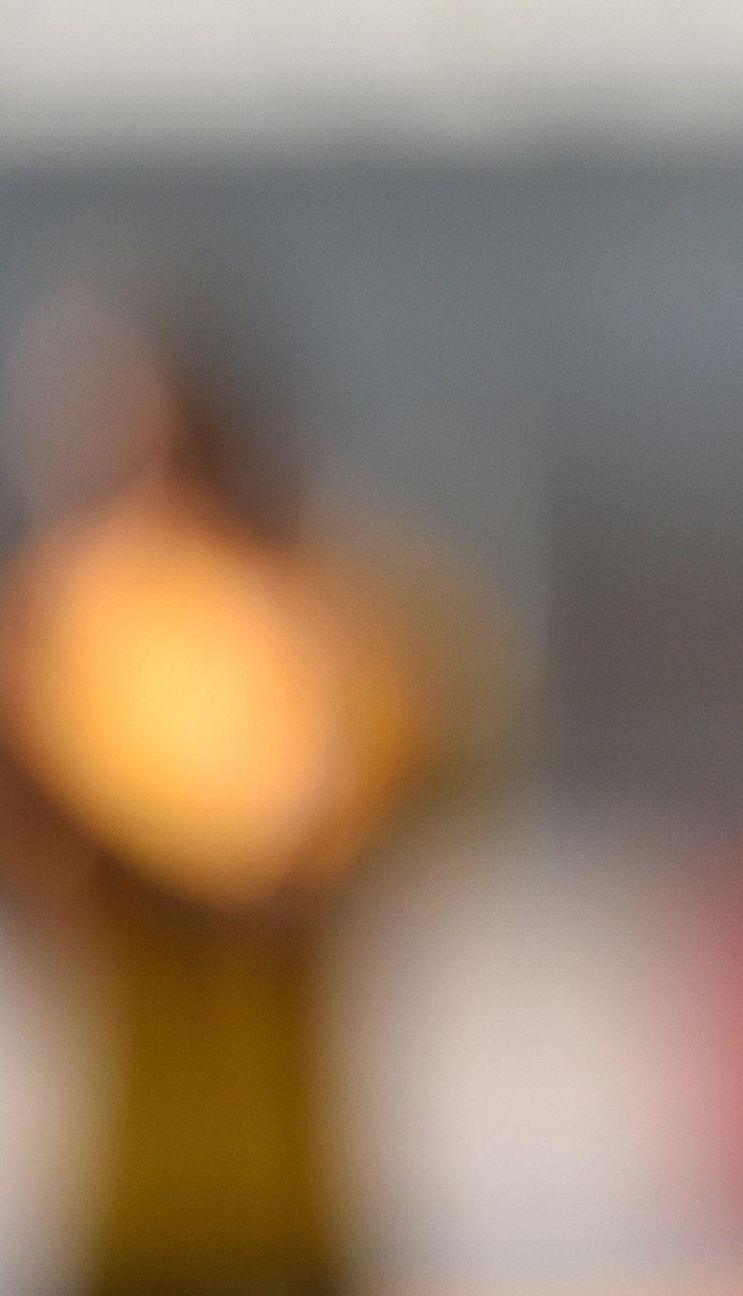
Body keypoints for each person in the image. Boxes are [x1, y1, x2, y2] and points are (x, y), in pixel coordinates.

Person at [0, 284, 451, 1296]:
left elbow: (367, 817)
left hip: (288, 1197)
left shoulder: (328, 619)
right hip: (136, 1199)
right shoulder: (70, 630)